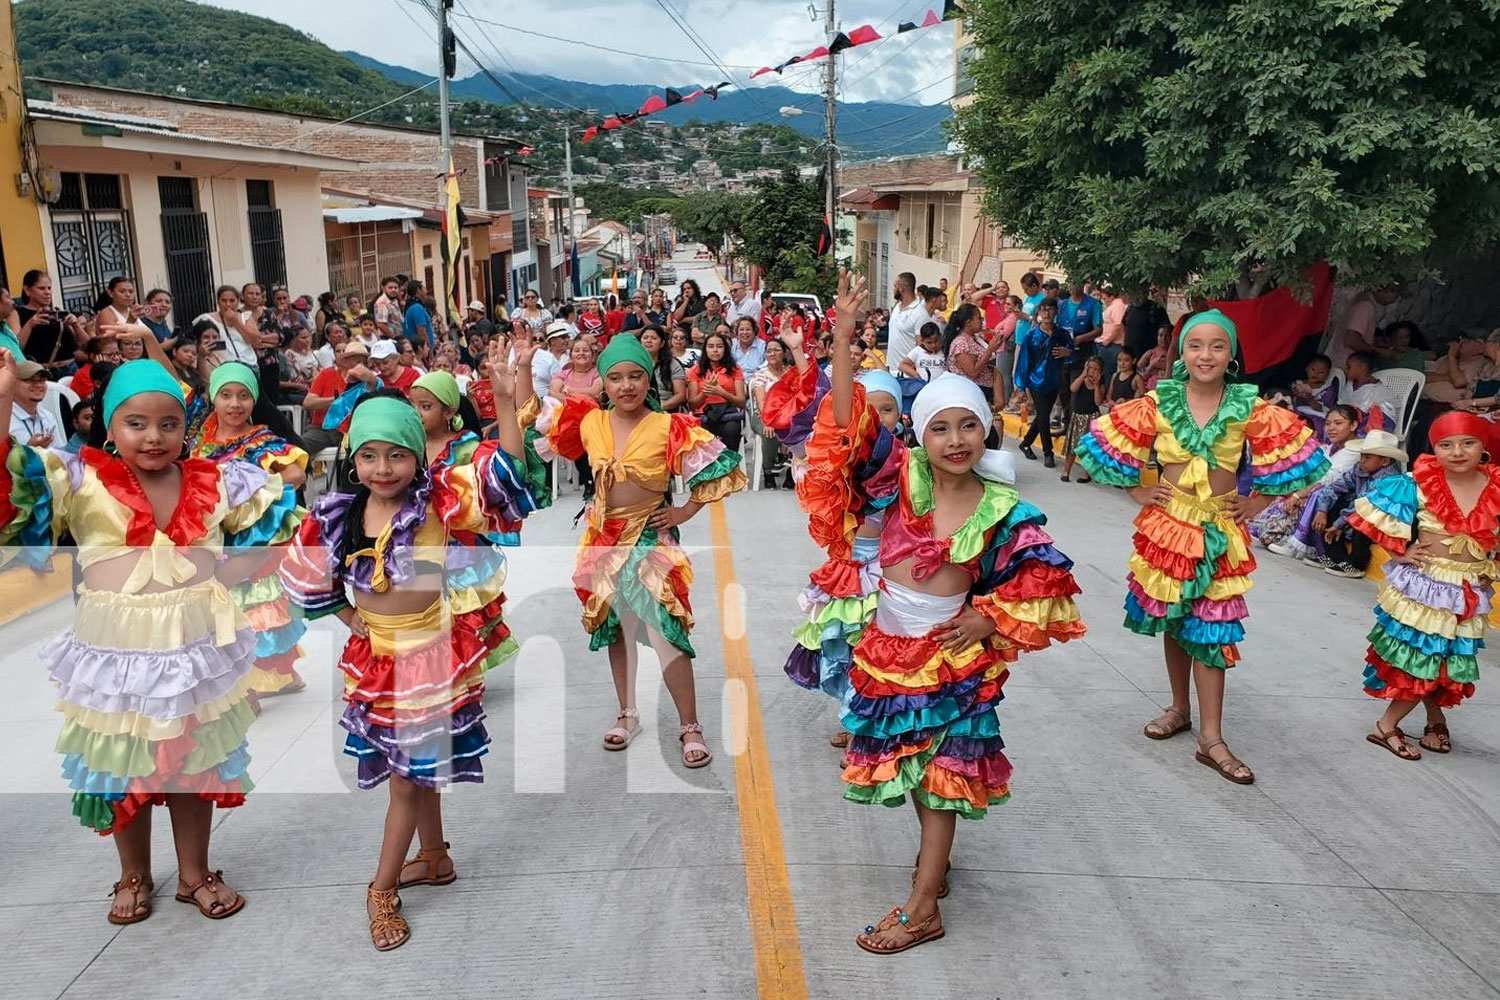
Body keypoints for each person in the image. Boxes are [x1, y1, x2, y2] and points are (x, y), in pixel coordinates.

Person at [781, 270, 1083, 954]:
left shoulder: (1001, 505)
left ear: (986, 431)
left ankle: (922, 906)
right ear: (921, 434)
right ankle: (934, 865)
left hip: (953, 659)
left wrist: (992, 618)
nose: (954, 438)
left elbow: (1044, 578)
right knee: (918, 767)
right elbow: (843, 422)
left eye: (968, 425)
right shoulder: (901, 477)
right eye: (939, 426)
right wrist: (842, 342)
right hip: (890, 653)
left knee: (944, 774)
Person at [0, 356, 298, 923]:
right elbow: (6, 481)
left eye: (168, 424)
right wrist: (4, 397)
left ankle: (194, 872)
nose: (154, 436)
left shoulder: (214, 478)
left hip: (193, 649)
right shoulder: (79, 478)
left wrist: (229, 573)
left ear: (184, 428)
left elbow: (278, 524)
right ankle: (132, 873)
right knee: (124, 763)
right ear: (108, 425)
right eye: (135, 423)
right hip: (116, 655)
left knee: (194, 759)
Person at [280, 350, 537, 951]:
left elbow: (507, 482)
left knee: (405, 780)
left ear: (418, 455)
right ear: (353, 459)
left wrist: (503, 402)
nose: (383, 467)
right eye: (368, 455)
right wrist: (354, 621)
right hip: (378, 663)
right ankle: (436, 857)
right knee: (416, 773)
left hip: (431, 656)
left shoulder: (439, 501)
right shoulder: (341, 513)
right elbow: (304, 581)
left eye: (397, 454)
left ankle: (382, 888)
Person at [1073, 309, 1328, 785]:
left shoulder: (1247, 405)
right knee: (1176, 619)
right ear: (1181, 353)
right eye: (1195, 345)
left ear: (1231, 355)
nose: (1205, 355)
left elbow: (1295, 455)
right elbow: (1105, 443)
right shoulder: (1160, 399)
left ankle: (1212, 738)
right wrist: (1138, 490)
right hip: (1168, 524)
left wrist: (1258, 503)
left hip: (1219, 528)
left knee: (1212, 629)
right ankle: (1178, 708)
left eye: (1216, 346)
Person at [533, 336, 747, 768]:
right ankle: (628, 713)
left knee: (665, 630)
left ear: (648, 379)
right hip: (602, 539)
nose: (625, 386)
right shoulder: (589, 421)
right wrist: (520, 371)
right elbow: (534, 426)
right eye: (615, 378)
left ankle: (690, 725)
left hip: (650, 537)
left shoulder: (670, 426)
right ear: (603, 383)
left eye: (634, 376)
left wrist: (682, 513)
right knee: (616, 628)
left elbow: (716, 468)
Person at [764, 345, 906, 745]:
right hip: (846, 568)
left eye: (888, 409)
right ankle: (851, 715)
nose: (879, 417)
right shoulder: (841, 460)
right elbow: (819, 413)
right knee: (845, 645)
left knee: (877, 647)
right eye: (872, 408)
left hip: (887, 569)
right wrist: (800, 353)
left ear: (903, 415)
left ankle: (869, 725)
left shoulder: (908, 461)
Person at [1350, 412, 1498, 760]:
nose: (1457, 452)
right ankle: (1385, 727)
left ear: (1484, 447)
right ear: (1434, 449)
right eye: (1445, 445)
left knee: (1445, 657)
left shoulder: (1495, 485)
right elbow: (1373, 517)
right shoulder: (1416, 482)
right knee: (1423, 656)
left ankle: (1435, 717)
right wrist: (1399, 551)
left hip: (1470, 590)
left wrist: (1491, 565)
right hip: (1428, 588)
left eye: (1468, 443)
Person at [185, 361, 310, 697]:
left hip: (251, 534)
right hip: (213, 532)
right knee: (229, 602)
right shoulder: (200, 434)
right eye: (226, 395)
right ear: (214, 398)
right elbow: (174, 382)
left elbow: (296, 473)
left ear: (254, 401)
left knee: (255, 603)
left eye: (243, 396)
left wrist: (248, 483)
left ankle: (260, 678)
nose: (235, 404)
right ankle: (272, 677)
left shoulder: (259, 439)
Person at [1259, 404, 1363, 557]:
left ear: (1353, 425)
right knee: (1267, 532)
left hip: (1336, 501)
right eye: (1328, 423)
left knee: (1317, 494)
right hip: (1314, 495)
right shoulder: (1330, 448)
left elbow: (1327, 480)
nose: (1331, 428)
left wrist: (1299, 495)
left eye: (1338, 423)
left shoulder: (1354, 451)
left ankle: (1300, 543)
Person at [1307, 430, 1405, 577]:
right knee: (1330, 505)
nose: (1362, 461)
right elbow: (1334, 487)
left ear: (1384, 461)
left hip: (1383, 522)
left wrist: (1340, 524)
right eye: (1361, 456)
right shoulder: (1359, 469)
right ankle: (1336, 558)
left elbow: (1365, 504)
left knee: (1366, 519)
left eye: (1367, 457)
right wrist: (1322, 511)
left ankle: (1356, 564)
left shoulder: (1389, 479)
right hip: (1355, 512)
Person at [1014, 300, 1072, 467]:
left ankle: (1025, 443)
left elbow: (1073, 351)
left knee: (1042, 415)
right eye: (1044, 310)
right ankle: (1048, 452)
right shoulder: (1031, 336)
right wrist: (1021, 386)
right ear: (1039, 312)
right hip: (1036, 382)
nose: (1047, 314)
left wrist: (1067, 352)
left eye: (1050, 310)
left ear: (1056, 312)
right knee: (1044, 416)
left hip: (1054, 381)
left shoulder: (1061, 334)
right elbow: (1024, 362)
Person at [301, 341, 380, 456]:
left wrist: (369, 378)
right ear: (345, 361)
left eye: (363, 360)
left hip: (355, 432)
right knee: (299, 447)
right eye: (355, 359)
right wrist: (338, 400)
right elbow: (308, 403)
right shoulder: (327, 374)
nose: (360, 363)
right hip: (322, 429)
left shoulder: (370, 380)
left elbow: (376, 387)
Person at [551, 337, 605, 500]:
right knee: (572, 434)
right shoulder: (564, 373)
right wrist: (582, 394)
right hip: (568, 420)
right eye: (577, 350)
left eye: (585, 350)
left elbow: (596, 393)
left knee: (585, 431)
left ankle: (590, 480)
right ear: (571, 355)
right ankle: (588, 479)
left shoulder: (597, 373)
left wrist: (568, 391)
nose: (581, 353)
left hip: (592, 418)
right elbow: (553, 393)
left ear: (592, 355)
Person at [15, 270, 88, 375]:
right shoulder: (18, 314)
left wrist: (75, 325)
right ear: (27, 290)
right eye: (41, 288)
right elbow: (16, 347)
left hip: (70, 369)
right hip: (42, 372)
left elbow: (88, 345)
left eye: (49, 288)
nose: (47, 292)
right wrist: (30, 324)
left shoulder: (58, 312)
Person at [688, 332, 747, 453]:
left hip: (728, 416)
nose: (715, 350)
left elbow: (741, 402)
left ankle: (729, 468)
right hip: (703, 416)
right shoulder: (695, 370)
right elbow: (692, 405)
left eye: (719, 346)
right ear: (705, 349)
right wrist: (705, 392)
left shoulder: (735, 369)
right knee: (699, 432)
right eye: (711, 346)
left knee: (732, 430)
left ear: (725, 349)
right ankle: (707, 470)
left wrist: (721, 392)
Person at [747, 337, 793, 489]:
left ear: (784, 353)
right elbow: (761, 402)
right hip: (763, 415)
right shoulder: (760, 375)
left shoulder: (791, 373)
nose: (772, 354)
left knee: (800, 429)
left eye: (777, 350)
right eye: (769, 351)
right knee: (770, 431)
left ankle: (791, 472)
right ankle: (768, 470)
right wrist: (769, 420)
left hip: (788, 414)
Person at [1059, 357, 1104, 483]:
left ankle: (1086, 473)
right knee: (1072, 446)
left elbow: (1098, 402)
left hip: (1092, 418)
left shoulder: (1100, 386)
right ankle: (1066, 470)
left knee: (1089, 447)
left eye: (1096, 369)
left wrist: (1096, 386)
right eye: (1090, 368)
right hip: (1078, 417)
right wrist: (1083, 375)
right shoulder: (1081, 381)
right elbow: (1072, 388)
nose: (1092, 372)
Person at [8, 359, 65, 449]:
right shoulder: (5, 418)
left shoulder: (48, 417)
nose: (39, 385)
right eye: (30, 380)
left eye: (42, 380)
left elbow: (61, 454)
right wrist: (30, 449)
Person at [943, 304, 996, 392]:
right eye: (979, 318)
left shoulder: (974, 339)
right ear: (969, 323)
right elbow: (972, 372)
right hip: (971, 390)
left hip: (983, 388)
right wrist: (990, 350)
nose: (982, 321)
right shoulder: (961, 343)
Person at [884, 271, 926, 375]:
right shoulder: (897, 307)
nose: (893, 290)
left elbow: (921, 345)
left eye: (895, 286)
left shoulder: (919, 312)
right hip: (891, 369)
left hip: (907, 375)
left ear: (901, 288)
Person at [640, 325, 687, 413]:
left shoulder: (672, 364)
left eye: (653, 338)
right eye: (645, 338)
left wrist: (658, 407)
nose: (648, 341)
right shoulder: (634, 364)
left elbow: (680, 395)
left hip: (665, 410)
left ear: (662, 343)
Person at [532, 320, 571, 402]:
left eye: (568, 337)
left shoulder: (573, 356)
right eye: (563, 337)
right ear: (552, 340)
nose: (567, 340)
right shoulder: (541, 358)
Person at [279, 325, 319, 405]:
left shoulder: (311, 353)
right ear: (293, 340)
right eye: (303, 338)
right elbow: (295, 377)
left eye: (308, 337)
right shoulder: (289, 354)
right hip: (301, 387)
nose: (307, 340)